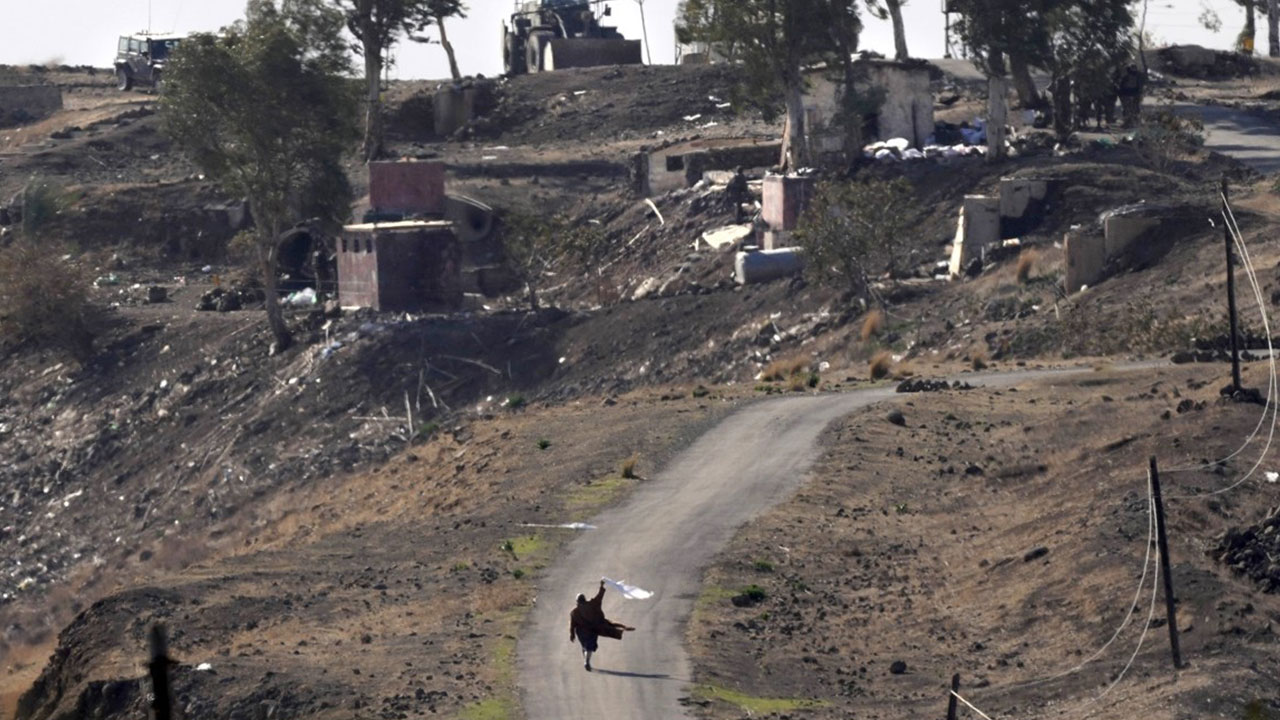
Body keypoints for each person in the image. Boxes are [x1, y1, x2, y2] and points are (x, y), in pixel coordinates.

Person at [569, 580, 635, 671]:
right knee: (590, 647)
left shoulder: (574, 612)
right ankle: (586, 662)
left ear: (577, 602)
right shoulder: (591, 605)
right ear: (584, 599)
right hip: (592, 631)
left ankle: (586, 661)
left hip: (581, 633)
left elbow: (572, 625)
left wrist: (572, 634)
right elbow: (599, 597)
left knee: (585, 646)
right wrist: (601, 586)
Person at [1117, 63, 1144, 129]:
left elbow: (1121, 85)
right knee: (1130, 110)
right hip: (1128, 94)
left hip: (1130, 94)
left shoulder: (1133, 76)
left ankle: (1132, 123)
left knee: (1131, 110)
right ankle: (1130, 123)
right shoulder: (1135, 76)